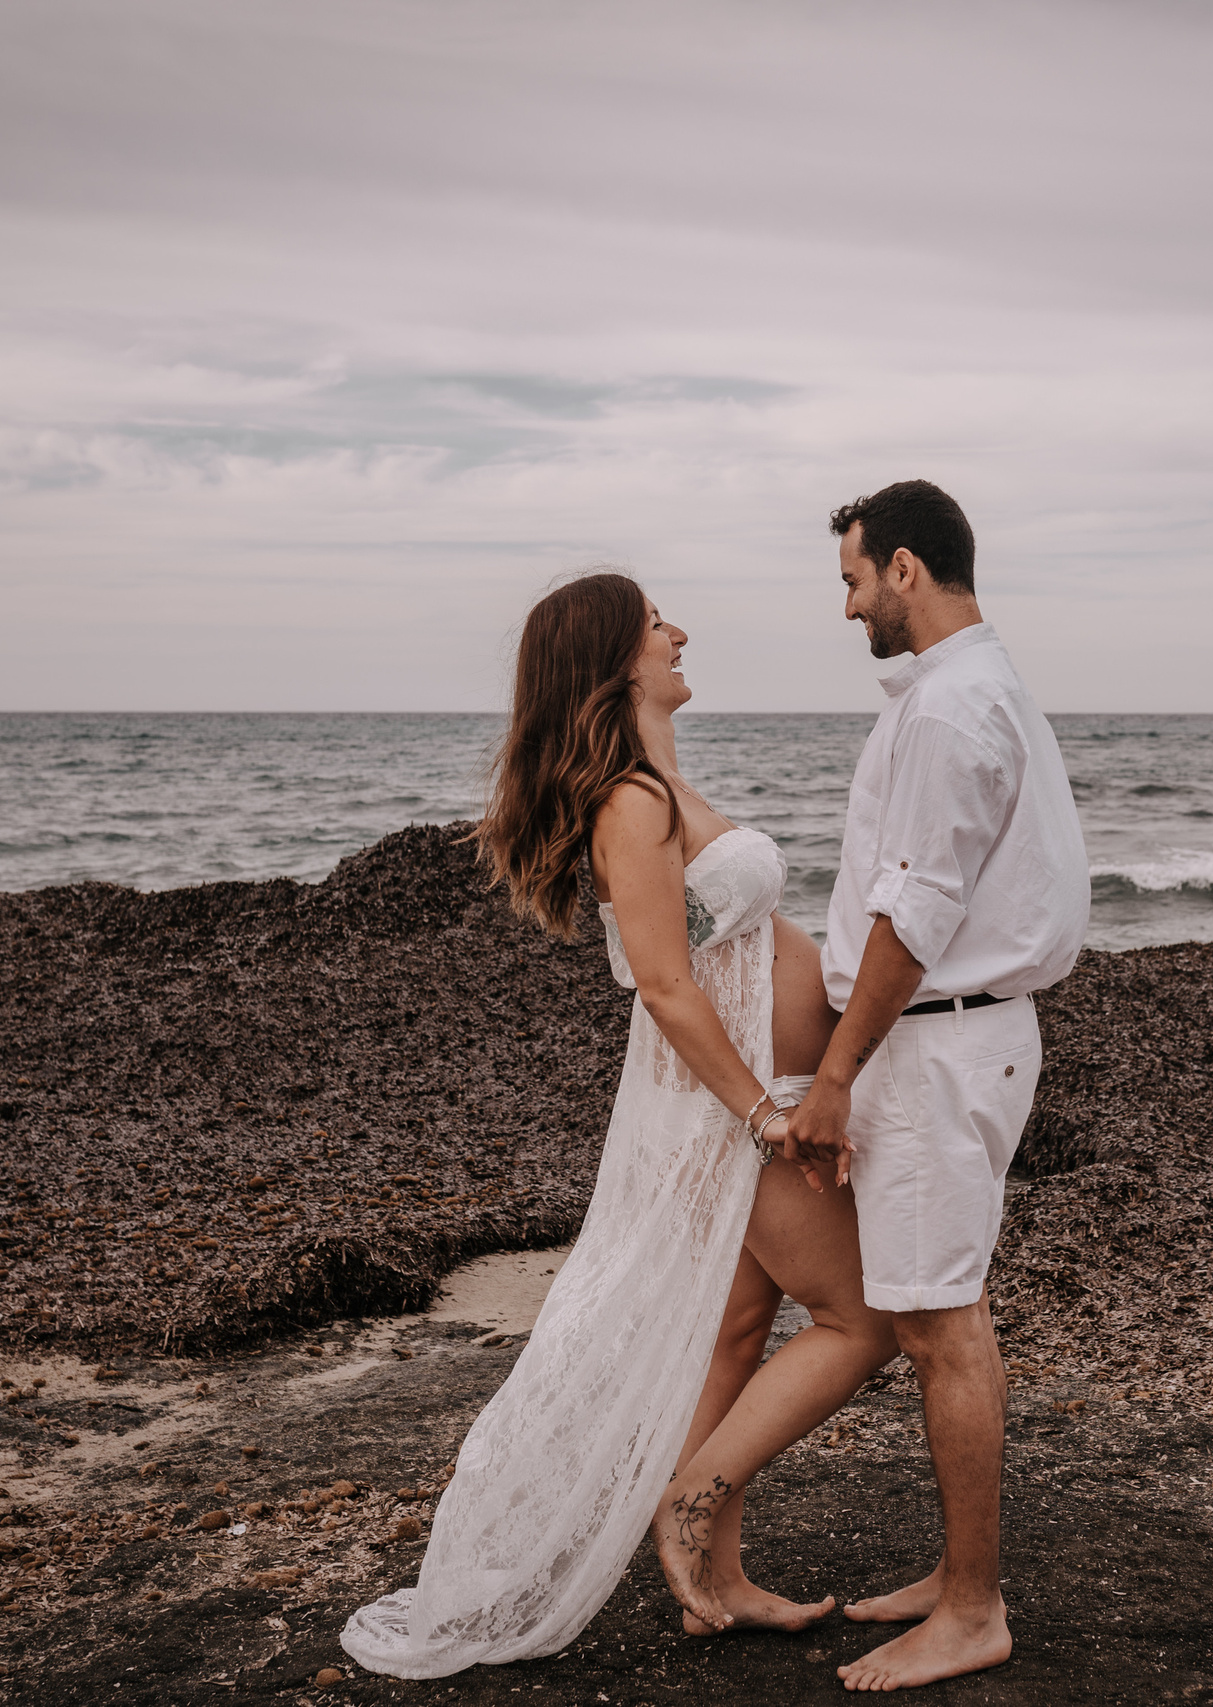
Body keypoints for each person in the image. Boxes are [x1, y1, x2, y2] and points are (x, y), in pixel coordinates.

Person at [340, 572, 899, 1678]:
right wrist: (761, 1114)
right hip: (733, 1112)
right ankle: (689, 1506)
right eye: (657, 625)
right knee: (860, 1322)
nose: (680, 633)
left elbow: (713, 953)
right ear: (614, 660)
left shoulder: (654, 783)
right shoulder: (631, 804)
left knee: (735, 1336)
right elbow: (664, 985)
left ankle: (715, 1584)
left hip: (748, 1100)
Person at [785, 479, 1089, 1690]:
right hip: (955, 1037)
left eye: (854, 580)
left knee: (941, 1324)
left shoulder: (954, 708)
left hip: (939, 1042)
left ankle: (972, 1609)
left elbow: (914, 911)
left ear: (905, 568)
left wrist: (836, 1072)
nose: (849, 605)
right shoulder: (967, 690)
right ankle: (956, 1577)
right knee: (929, 1315)